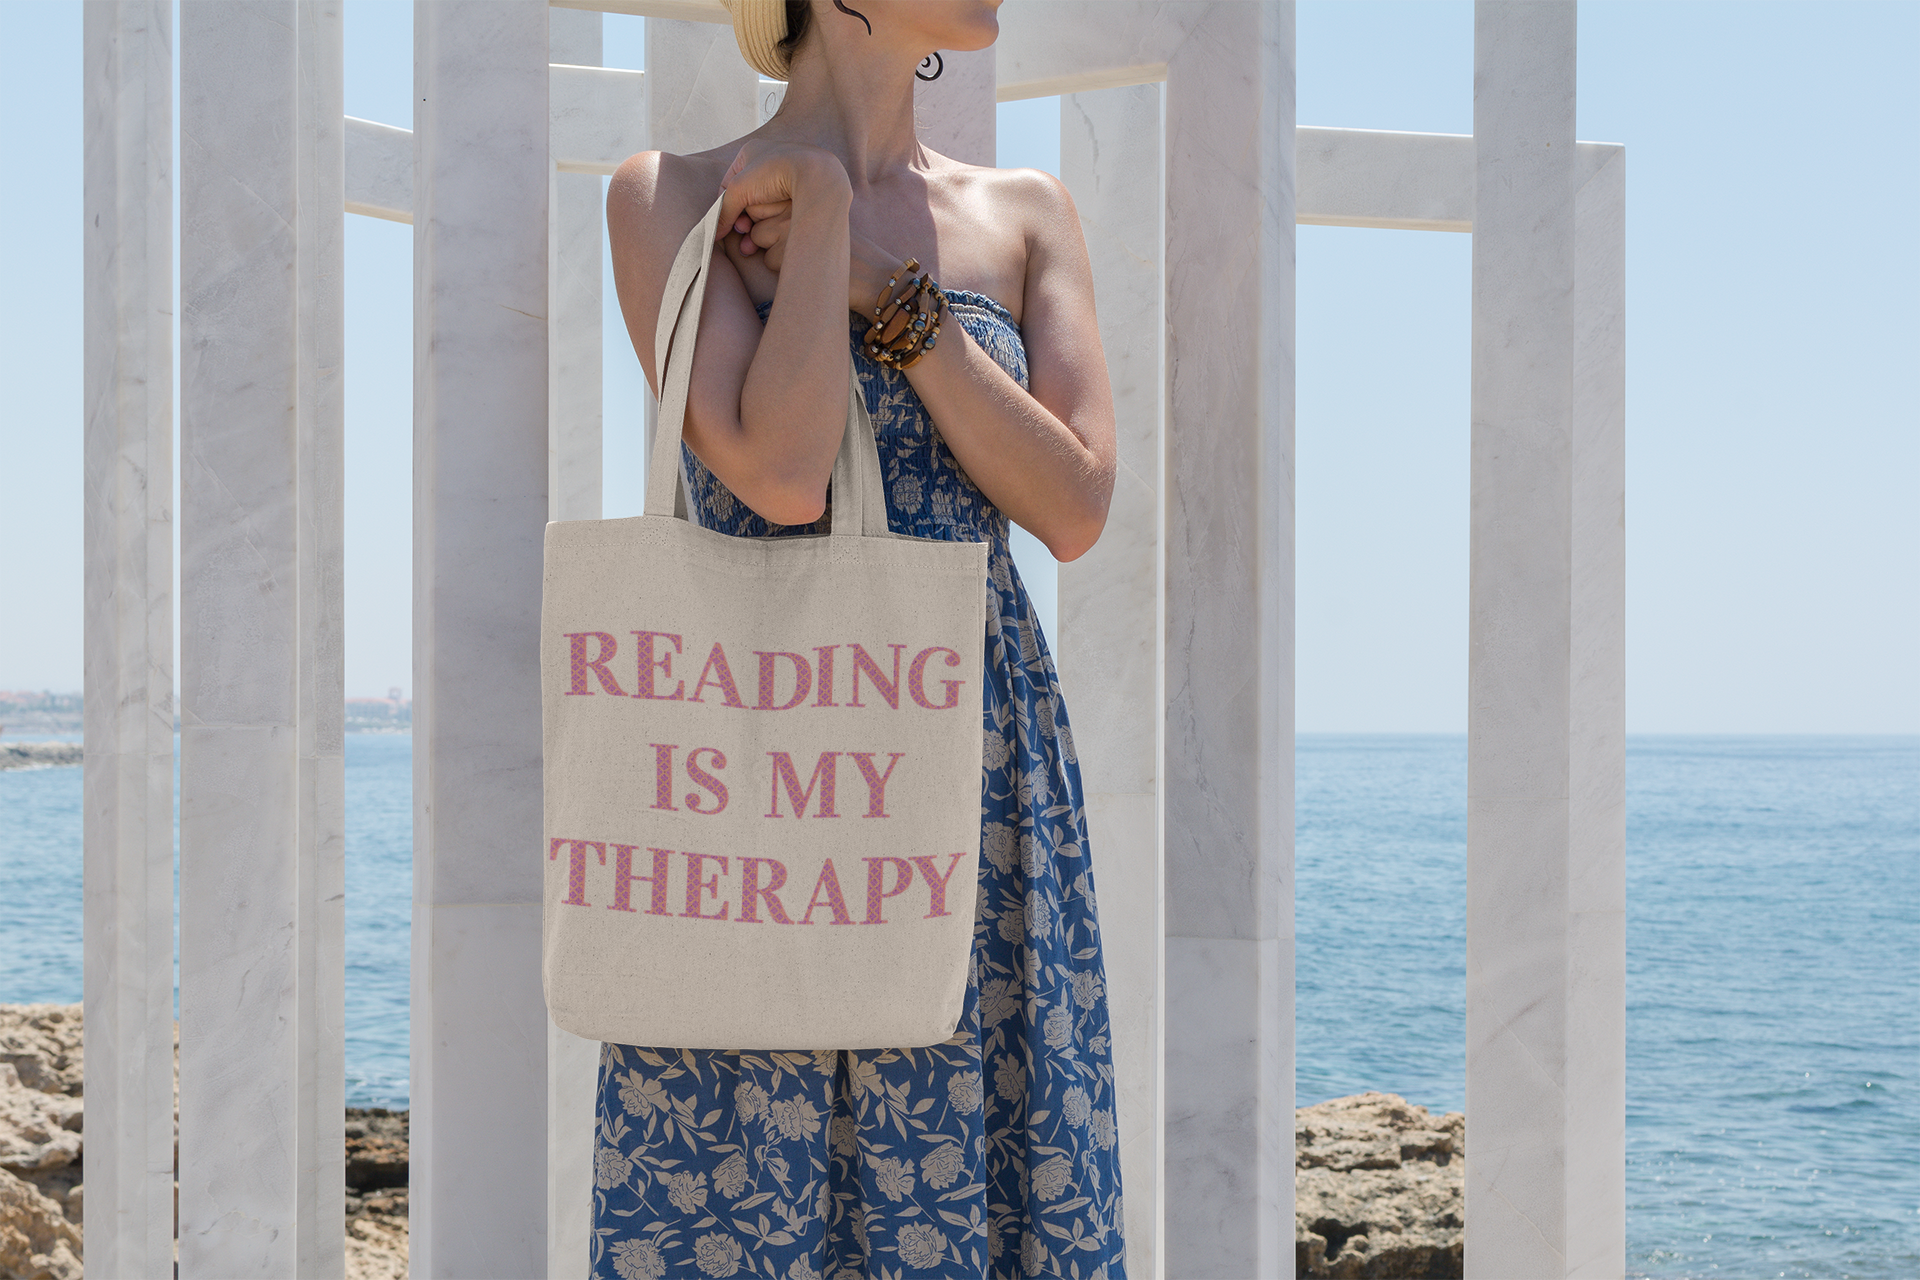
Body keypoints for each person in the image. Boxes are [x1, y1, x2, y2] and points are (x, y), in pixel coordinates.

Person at [594, 1, 1125, 1276]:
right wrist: (824, 210)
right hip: (758, 773)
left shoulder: (1026, 213)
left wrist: (893, 300)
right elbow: (779, 472)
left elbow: (1075, 503)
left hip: (973, 762)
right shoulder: (670, 197)